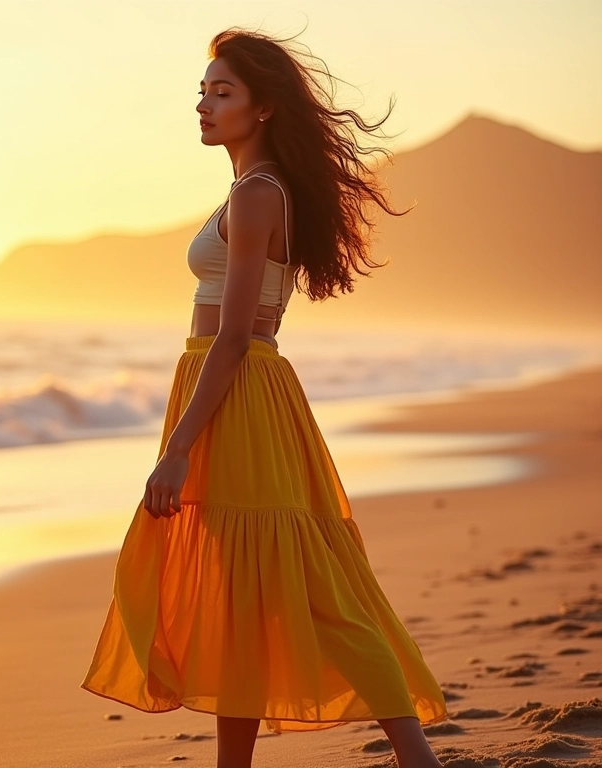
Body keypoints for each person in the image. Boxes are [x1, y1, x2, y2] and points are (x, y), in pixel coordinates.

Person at [81, 26, 448, 768]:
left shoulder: (257, 195)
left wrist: (179, 450)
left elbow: (237, 335)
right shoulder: (255, 189)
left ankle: (419, 758)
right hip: (234, 391)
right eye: (202, 91)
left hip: (237, 392)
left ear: (264, 108)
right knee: (241, 593)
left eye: (223, 93)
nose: (204, 106)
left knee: (307, 586)